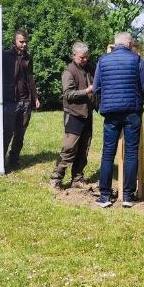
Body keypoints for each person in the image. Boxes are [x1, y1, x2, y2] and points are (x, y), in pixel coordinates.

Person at [94, 32, 144, 208]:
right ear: (128, 43)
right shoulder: (137, 60)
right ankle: (127, 195)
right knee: (132, 153)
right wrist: (138, 100)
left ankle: (104, 196)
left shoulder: (103, 60)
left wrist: (106, 100)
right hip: (132, 112)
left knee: (107, 153)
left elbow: (96, 87)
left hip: (110, 113)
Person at [51, 42, 95, 189]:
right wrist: (87, 91)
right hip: (74, 114)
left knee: (84, 148)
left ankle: (77, 178)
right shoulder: (69, 71)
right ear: (74, 55)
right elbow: (68, 94)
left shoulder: (90, 68)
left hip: (87, 114)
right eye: (82, 57)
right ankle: (56, 178)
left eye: (86, 57)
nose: (85, 59)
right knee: (69, 148)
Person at [2, 29, 41, 172]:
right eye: (21, 41)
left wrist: (35, 97)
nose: (24, 44)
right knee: (7, 132)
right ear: (14, 41)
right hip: (10, 100)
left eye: (26, 42)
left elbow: (30, 77)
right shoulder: (5, 56)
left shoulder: (28, 57)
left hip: (26, 100)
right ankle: (0, 162)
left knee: (20, 133)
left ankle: (14, 160)